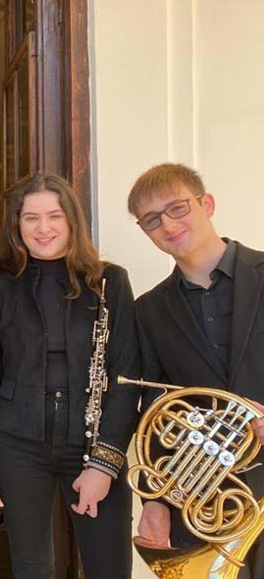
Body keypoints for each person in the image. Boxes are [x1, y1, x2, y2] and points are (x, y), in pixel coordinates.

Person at [0, 173, 140, 578]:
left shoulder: (110, 283)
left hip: (93, 446)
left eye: (54, 216)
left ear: (72, 222)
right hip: (18, 445)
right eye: (31, 218)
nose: (43, 229)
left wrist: (105, 464)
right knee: (31, 567)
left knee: (108, 566)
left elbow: (126, 379)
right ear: (17, 226)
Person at [129, 163, 264, 578]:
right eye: (152, 220)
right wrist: (155, 500)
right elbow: (156, 407)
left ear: (206, 204)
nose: (168, 225)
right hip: (207, 499)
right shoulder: (148, 310)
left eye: (177, 208)